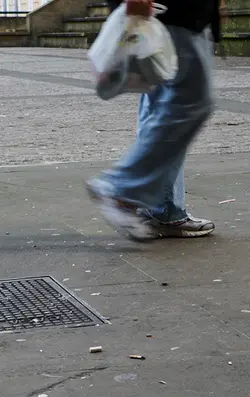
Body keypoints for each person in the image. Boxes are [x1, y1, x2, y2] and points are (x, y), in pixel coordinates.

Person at [86, 0, 225, 241]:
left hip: (178, 14)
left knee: (164, 103)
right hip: (175, 12)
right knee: (191, 102)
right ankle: (121, 188)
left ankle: (164, 209)